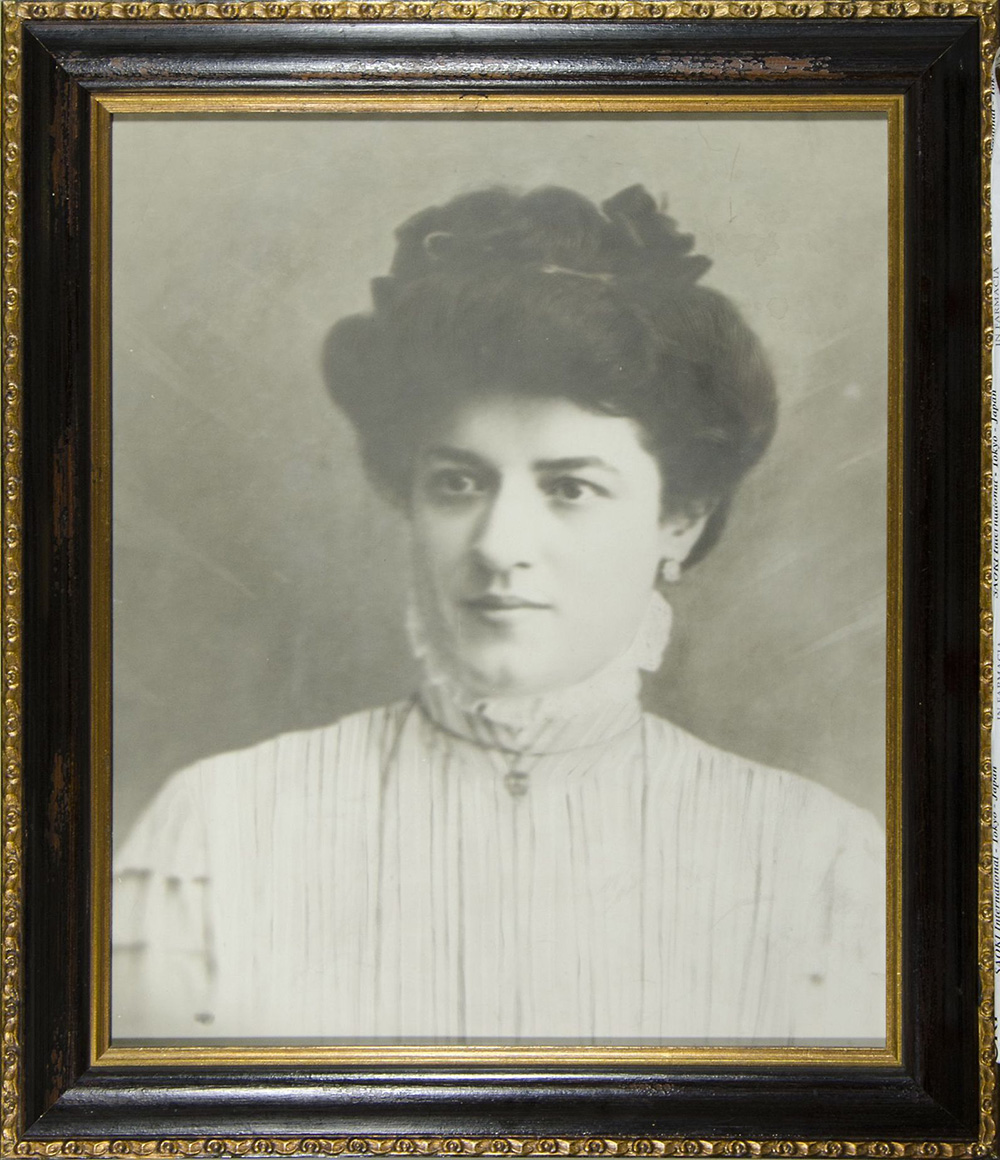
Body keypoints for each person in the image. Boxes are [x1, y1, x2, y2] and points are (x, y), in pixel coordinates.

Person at [112, 184, 885, 1044]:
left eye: (570, 488)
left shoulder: (821, 864)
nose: (497, 544)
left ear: (680, 519)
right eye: (458, 482)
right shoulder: (217, 831)